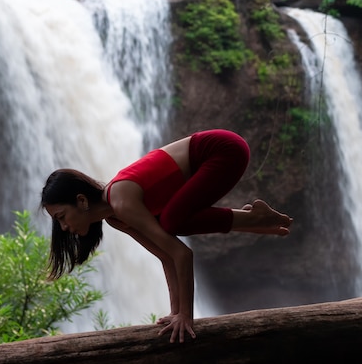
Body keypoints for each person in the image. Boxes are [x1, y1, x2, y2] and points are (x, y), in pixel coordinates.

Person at [40, 129, 292, 343]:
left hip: (223, 149)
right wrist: (174, 313)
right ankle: (255, 219)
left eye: (61, 217)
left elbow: (182, 253)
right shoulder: (115, 218)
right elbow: (165, 256)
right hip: (214, 155)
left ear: (81, 201)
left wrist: (186, 317)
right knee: (171, 224)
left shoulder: (121, 201)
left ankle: (254, 219)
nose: (63, 227)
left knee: (172, 222)